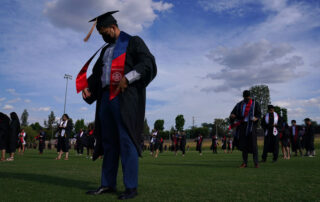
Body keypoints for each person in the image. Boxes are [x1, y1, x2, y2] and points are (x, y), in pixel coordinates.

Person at [78, 10, 157, 200]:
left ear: (113, 27)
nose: (102, 36)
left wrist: (128, 79)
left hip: (124, 97)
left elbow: (148, 64)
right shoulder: (105, 50)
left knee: (126, 141)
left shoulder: (133, 42)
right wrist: (88, 88)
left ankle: (131, 187)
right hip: (105, 99)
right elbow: (98, 75)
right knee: (108, 143)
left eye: (103, 32)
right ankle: (107, 184)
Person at [230, 90, 261, 168]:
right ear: (243, 96)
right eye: (245, 97)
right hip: (243, 126)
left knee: (254, 145)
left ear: (249, 96)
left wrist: (256, 118)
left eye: (247, 96)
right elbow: (233, 113)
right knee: (244, 145)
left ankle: (256, 163)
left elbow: (259, 114)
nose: (246, 98)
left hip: (251, 126)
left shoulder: (254, 104)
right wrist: (232, 116)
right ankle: (245, 162)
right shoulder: (239, 104)